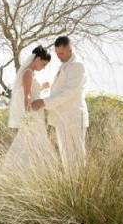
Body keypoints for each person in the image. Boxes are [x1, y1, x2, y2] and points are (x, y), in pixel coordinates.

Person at [31, 36, 89, 173]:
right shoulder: (64, 65)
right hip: (61, 119)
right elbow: (57, 92)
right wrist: (41, 96)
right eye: (57, 53)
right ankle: (71, 187)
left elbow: (69, 92)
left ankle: (80, 188)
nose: (59, 56)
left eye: (61, 53)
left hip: (73, 118)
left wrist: (43, 102)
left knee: (76, 157)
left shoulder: (77, 66)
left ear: (70, 49)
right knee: (66, 158)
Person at [4, 45, 56, 170]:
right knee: (29, 139)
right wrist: (28, 115)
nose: (43, 68)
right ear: (37, 59)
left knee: (33, 140)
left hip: (35, 112)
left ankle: (33, 168)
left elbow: (32, 92)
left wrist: (42, 87)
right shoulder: (28, 72)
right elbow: (26, 96)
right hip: (32, 114)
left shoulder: (31, 73)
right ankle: (21, 168)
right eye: (43, 64)